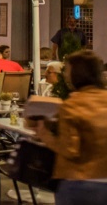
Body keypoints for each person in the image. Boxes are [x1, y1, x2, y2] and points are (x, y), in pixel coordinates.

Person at [34, 50, 107, 202]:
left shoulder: (72, 105)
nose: (65, 75)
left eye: (67, 70)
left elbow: (70, 149)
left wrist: (45, 135)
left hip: (78, 181)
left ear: (77, 74)